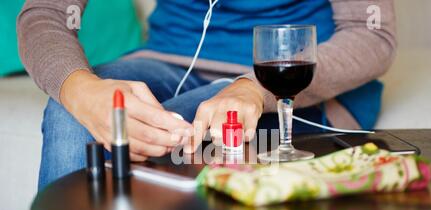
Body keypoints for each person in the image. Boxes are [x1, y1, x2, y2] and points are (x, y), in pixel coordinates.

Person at [17, 0, 396, 190]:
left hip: (291, 79)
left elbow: (371, 34)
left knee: (174, 140)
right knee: (72, 112)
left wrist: (255, 88)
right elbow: (44, 13)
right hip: (168, 57)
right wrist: (81, 91)